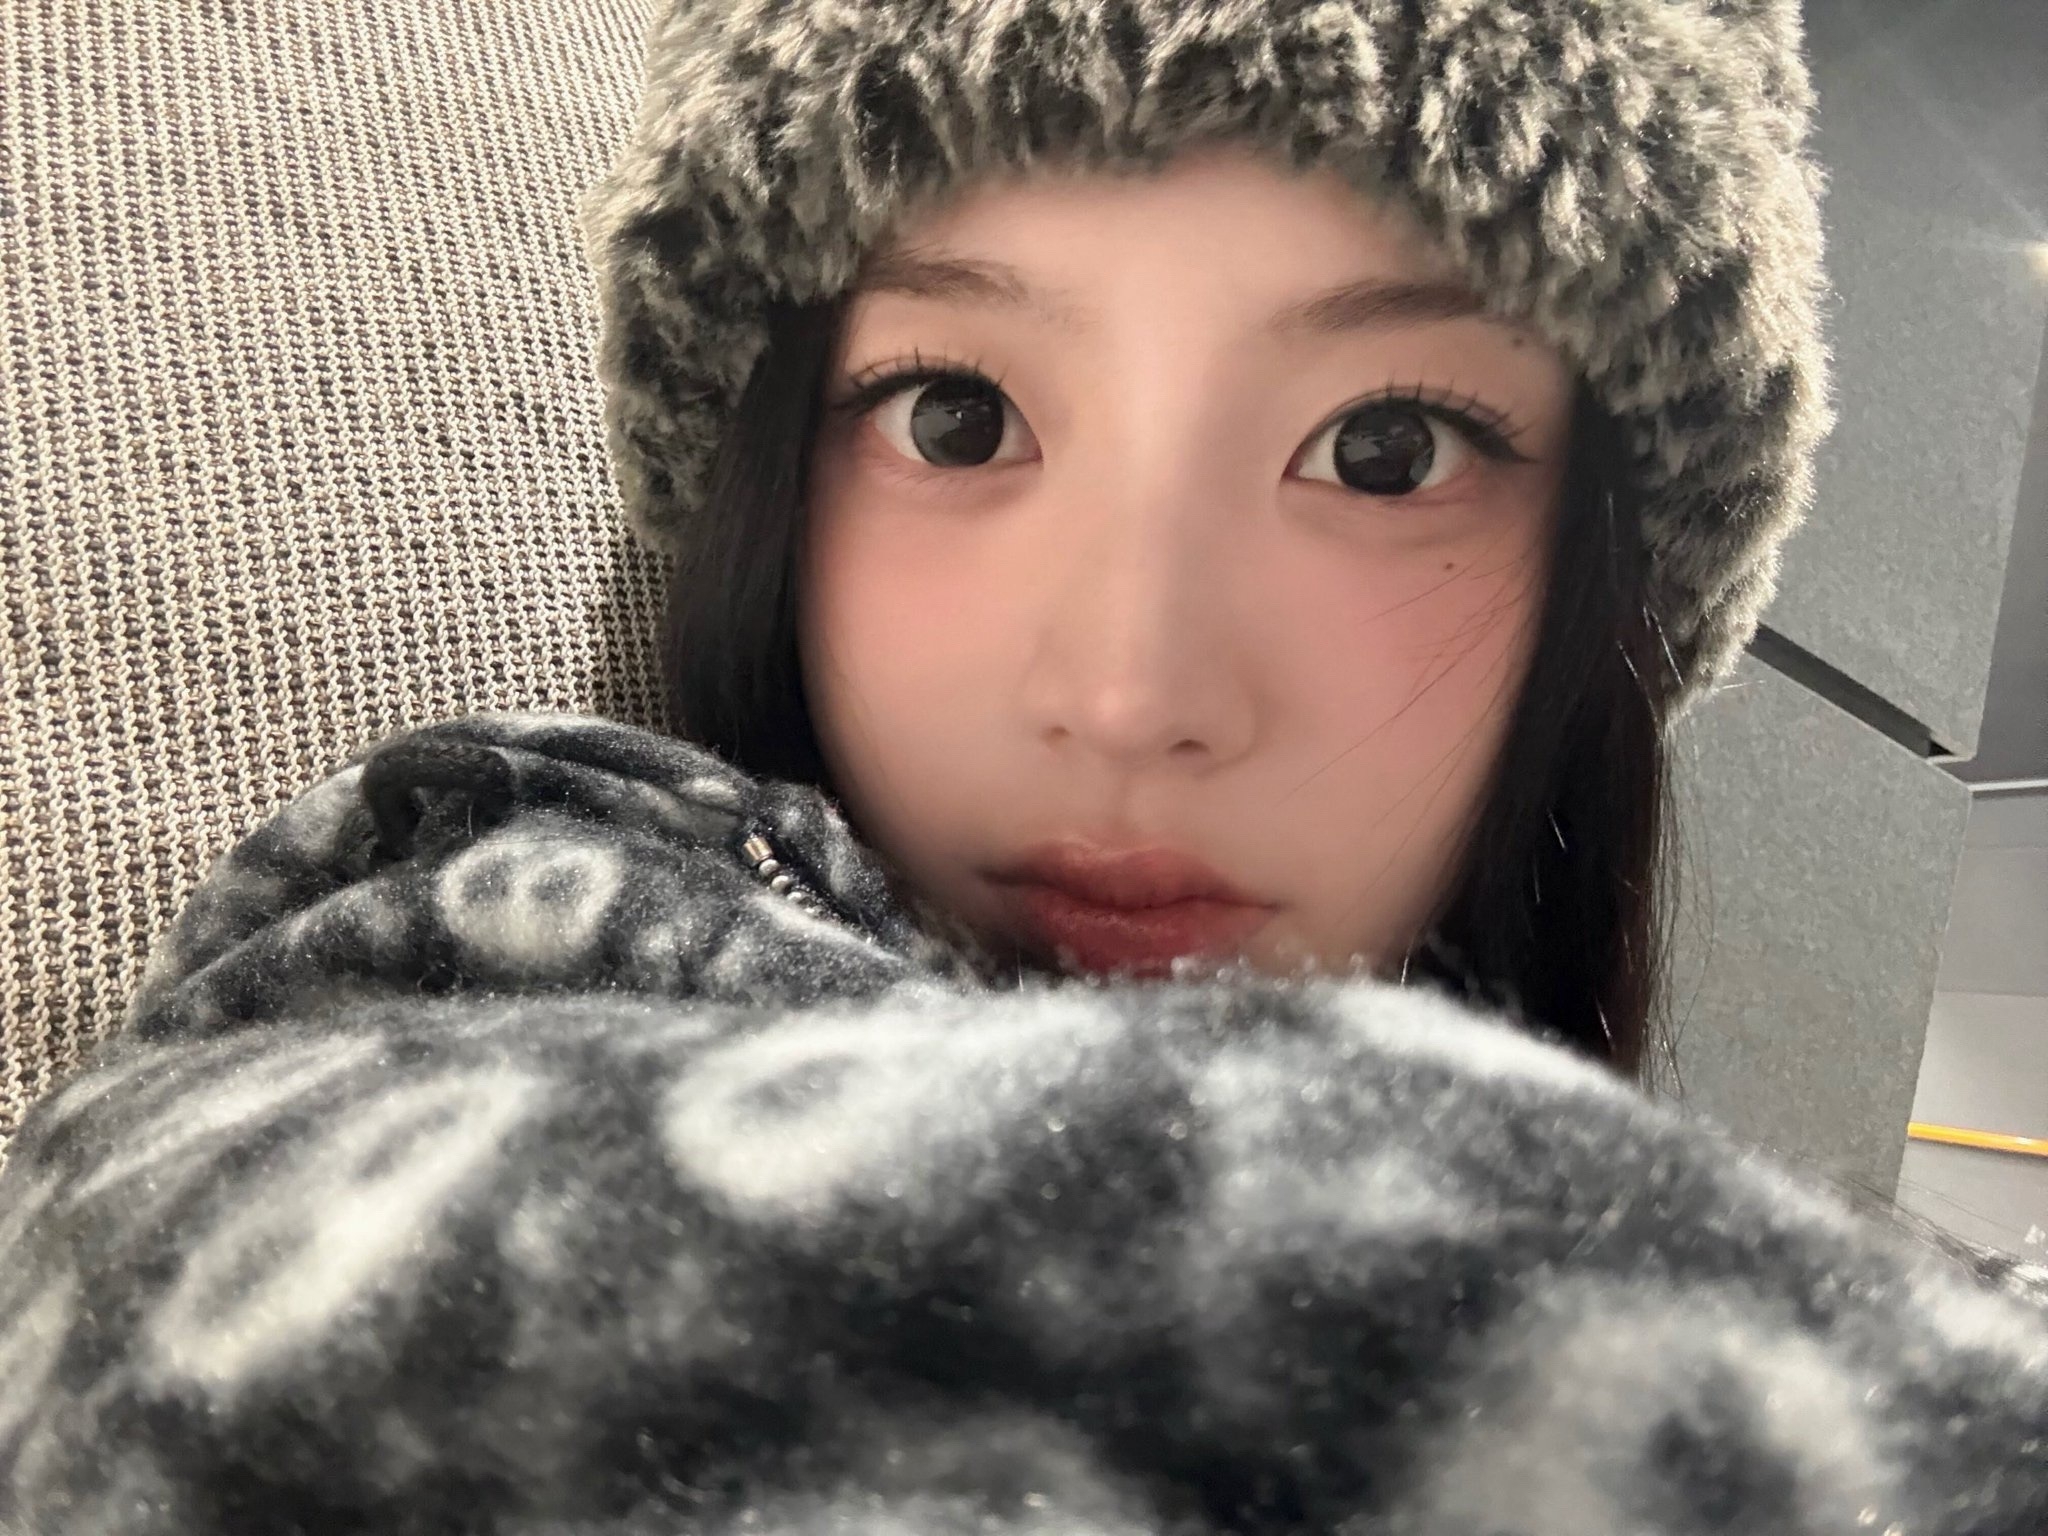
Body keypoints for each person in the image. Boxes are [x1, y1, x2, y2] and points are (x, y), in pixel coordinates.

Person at [1, 1, 2043, 1531]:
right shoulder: (480, 933)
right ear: (767, 483)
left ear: (1592, 590)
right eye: (957, 417)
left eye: (1385, 448)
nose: (1133, 690)